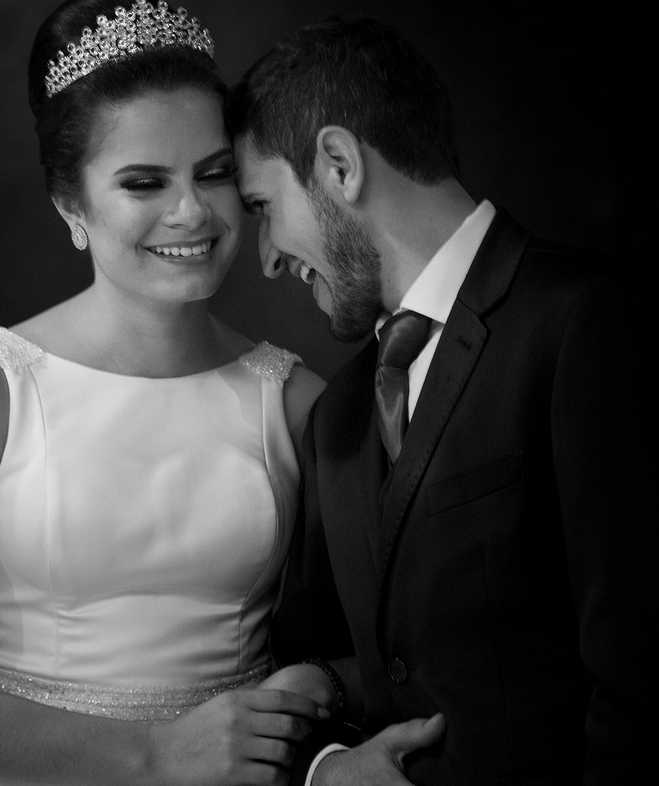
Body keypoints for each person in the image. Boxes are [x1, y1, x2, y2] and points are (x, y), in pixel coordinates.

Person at [0, 1, 335, 784]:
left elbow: (355, 648)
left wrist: (310, 688)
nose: (192, 211)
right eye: (144, 182)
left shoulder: (294, 402)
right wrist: (154, 755)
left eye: (215, 173)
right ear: (71, 204)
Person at [226, 15, 652, 785]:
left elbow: (643, 677)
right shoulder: (339, 416)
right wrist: (327, 763)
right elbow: (313, 661)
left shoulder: (586, 324)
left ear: (338, 165)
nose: (266, 260)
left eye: (263, 207)